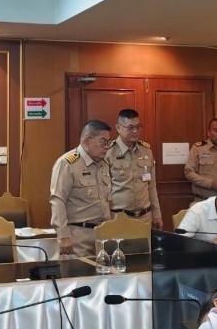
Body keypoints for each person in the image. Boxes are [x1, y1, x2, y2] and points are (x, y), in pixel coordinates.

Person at [50, 120, 112, 258]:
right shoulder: (67, 163)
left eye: (109, 142)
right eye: (103, 142)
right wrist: (63, 236)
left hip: (103, 236)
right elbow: (57, 200)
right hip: (78, 237)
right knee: (78, 272)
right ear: (87, 141)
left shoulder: (103, 164)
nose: (107, 147)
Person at [108, 109, 163, 228]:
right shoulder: (108, 153)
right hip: (119, 218)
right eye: (130, 127)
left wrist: (157, 215)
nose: (135, 131)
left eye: (138, 127)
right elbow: (103, 191)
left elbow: (151, 186)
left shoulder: (146, 151)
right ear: (118, 128)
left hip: (144, 218)